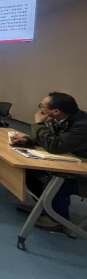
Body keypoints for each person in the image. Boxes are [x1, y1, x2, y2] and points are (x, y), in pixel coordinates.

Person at [10, 92, 87, 231]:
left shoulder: (82, 125)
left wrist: (39, 124)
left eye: (42, 106)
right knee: (31, 169)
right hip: (72, 162)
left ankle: (55, 219)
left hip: (83, 175)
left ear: (56, 111)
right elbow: (52, 137)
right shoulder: (61, 119)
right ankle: (44, 207)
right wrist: (28, 140)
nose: (40, 109)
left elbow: (55, 146)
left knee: (60, 179)